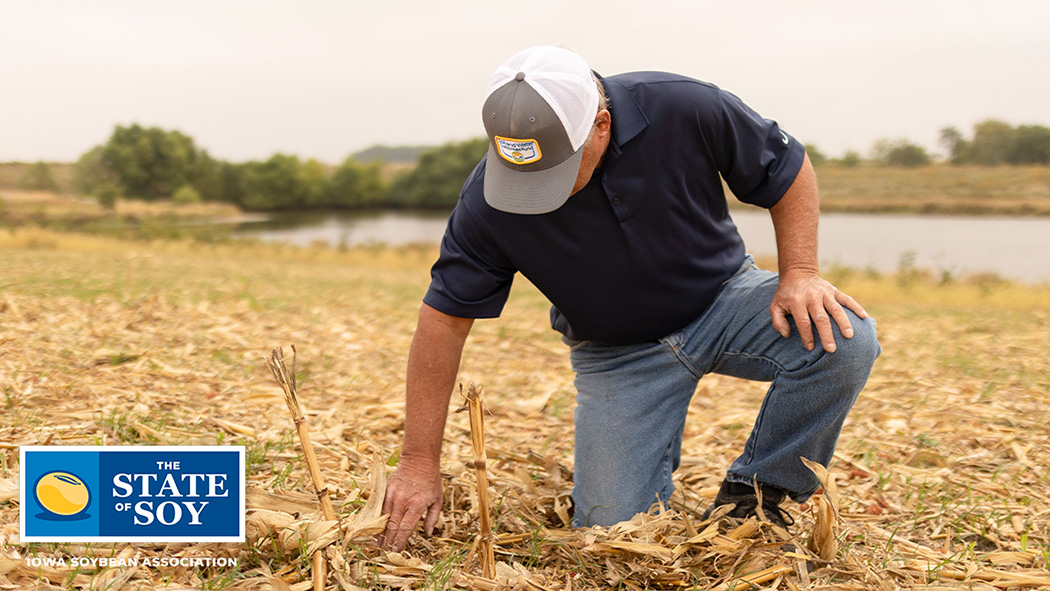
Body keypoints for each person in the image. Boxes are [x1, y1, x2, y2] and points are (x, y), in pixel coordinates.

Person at [378, 45, 880, 551]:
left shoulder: (685, 106)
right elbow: (443, 322)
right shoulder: (486, 203)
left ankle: (759, 494)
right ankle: (647, 448)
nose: (534, 189)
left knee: (844, 337)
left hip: (724, 300)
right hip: (619, 353)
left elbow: (787, 170)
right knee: (608, 534)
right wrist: (419, 463)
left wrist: (800, 273)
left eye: (554, 170)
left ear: (600, 124)